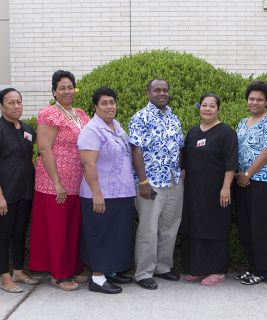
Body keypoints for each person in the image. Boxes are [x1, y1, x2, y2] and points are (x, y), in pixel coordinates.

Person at [29, 70, 90, 291]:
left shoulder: (81, 114)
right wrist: (57, 182)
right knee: (57, 229)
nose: (67, 91)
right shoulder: (49, 114)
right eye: (61, 87)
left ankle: (71, 266)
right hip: (54, 181)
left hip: (77, 181)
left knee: (72, 227)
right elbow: (44, 148)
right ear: (54, 91)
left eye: (70, 87)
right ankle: (58, 274)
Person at [78, 87, 136, 294]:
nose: (109, 106)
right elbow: (88, 163)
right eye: (104, 103)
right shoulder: (91, 130)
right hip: (101, 194)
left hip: (121, 192)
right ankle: (98, 278)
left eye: (112, 102)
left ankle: (112, 270)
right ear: (95, 106)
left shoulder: (117, 126)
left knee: (117, 234)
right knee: (100, 234)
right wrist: (96, 193)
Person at [129, 78, 184, 290]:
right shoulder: (140, 117)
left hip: (173, 181)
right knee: (148, 229)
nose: (162, 93)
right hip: (151, 182)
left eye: (165, 89)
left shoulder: (173, 117)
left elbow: (179, 147)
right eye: (157, 90)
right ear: (148, 93)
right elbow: (136, 149)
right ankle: (143, 273)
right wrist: (143, 181)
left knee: (170, 227)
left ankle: (163, 267)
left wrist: (181, 171)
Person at [180, 93, 238, 285]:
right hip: (194, 192)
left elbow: (231, 164)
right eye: (204, 105)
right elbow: (186, 163)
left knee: (215, 228)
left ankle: (217, 270)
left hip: (217, 191)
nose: (207, 109)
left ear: (218, 109)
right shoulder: (193, 132)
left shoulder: (226, 133)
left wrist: (226, 188)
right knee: (195, 228)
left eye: (212, 106)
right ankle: (198, 269)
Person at [235, 81, 267, 285]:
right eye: (251, 98)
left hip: (262, 182)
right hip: (242, 182)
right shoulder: (243, 123)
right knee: (245, 226)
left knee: (260, 227)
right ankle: (253, 267)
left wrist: (248, 173)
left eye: (259, 99)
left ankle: (262, 271)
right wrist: (238, 175)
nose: (254, 102)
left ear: (266, 102)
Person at [0, 88, 38, 293]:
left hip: (25, 190)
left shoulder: (28, 128)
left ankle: (19, 270)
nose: (16, 106)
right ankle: (4, 276)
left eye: (19, 102)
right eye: (11, 103)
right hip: (6, 192)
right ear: (2, 106)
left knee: (19, 232)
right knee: (4, 234)